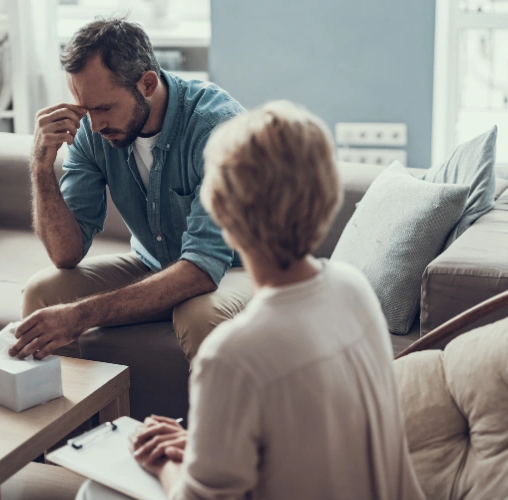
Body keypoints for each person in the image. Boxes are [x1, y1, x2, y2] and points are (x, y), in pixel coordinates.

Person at [76, 101, 425, 499]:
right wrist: (202, 449)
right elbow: (310, 439)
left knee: (96, 491)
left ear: (220, 210)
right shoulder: (354, 289)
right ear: (327, 194)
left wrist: (168, 464)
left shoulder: (233, 355)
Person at [10, 17, 252, 361]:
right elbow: (66, 254)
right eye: (86, 109)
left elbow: (202, 268)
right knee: (42, 293)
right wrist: (41, 166)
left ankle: (206, 418)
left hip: (240, 267)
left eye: (104, 108)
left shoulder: (218, 130)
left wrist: (81, 316)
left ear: (148, 84)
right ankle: (79, 416)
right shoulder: (93, 131)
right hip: (157, 262)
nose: (93, 125)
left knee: (200, 316)